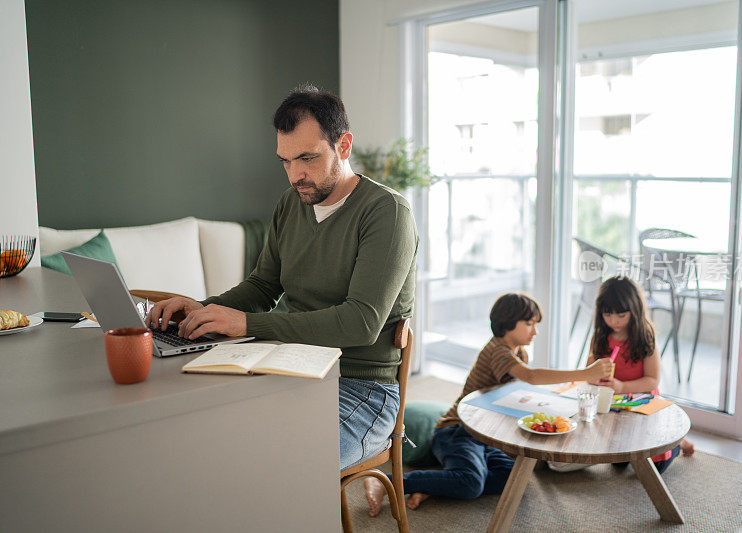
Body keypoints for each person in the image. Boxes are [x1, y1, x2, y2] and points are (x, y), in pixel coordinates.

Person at [145, 84, 419, 471]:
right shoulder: (292, 203)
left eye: (307, 157)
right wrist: (201, 309)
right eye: (286, 161)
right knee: (204, 436)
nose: (296, 175)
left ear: (344, 145)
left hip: (360, 388)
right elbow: (262, 287)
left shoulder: (387, 213)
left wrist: (247, 323)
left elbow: (361, 323)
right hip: (288, 366)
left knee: (281, 465)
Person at [363, 293, 613, 515]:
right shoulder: (498, 350)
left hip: (486, 436)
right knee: (471, 483)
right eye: (529, 324)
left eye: (536, 324)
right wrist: (585, 373)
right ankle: (389, 481)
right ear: (507, 323)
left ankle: (438, 485)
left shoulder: (519, 352)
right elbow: (532, 377)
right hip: (459, 430)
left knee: (515, 479)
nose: (535, 331)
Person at [549, 276, 694, 474]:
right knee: (618, 462)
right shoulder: (601, 335)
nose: (614, 321)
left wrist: (622, 387)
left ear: (634, 311)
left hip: (642, 402)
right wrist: (596, 375)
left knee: (655, 467)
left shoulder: (645, 335)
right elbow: (587, 374)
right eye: (608, 315)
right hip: (614, 406)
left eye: (621, 316)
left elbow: (652, 379)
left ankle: (677, 442)